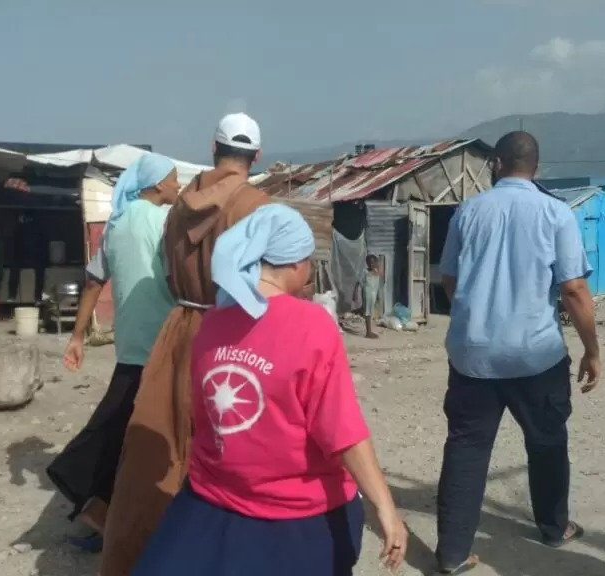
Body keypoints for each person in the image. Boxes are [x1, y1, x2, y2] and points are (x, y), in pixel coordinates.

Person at [133, 204, 407, 576]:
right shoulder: (312, 325)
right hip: (298, 515)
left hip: (211, 504)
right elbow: (341, 432)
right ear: (296, 265)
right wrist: (386, 509)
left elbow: (205, 416)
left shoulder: (211, 324)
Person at [100, 113, 272, 576]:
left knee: (161, 451)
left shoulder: (179, 203)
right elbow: (273, 284)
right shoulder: (257, 205)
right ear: (256, 157)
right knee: (233, 452)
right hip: (235, 334)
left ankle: (142, 553)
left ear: (213, 149)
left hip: (179, 328)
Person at [434, 131, 601, 573]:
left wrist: (477, 315)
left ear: (497, 164)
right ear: (536, 168)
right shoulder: (555, 213)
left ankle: (452, 554)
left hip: (473, 358)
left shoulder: (467, 212)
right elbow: (574, 289)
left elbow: (449, 279)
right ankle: (553, 527)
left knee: (466, 451)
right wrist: (592, 349)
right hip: (536, 357)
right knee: (547, 444)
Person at [46, 153, 180, 551]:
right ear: (157, 184)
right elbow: (179, 279)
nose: (177, 186)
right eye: (174, 179)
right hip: (161, 343)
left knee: (124, 424)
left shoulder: (117, 223)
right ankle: (89, 492)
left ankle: (104, 507)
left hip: (132, 343)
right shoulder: (166, 224)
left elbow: (92, 282)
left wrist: (77, 336)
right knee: (125, 427)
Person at [9, 211, 46, 302]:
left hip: (33, 258)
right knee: (14, 271)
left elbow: (41, 245)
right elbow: (15, 244)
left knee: (40, 272)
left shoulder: (36, 229)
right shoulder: (20, 228)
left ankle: (38, 296)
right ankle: (12, 296)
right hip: (23, 258)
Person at [357, 254, 383, 338]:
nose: (371, 265)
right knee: (368, 312)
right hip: (367, 294)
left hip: (373, 294)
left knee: (370, 312)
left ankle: (369, 331)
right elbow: (359, 282)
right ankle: (368, 332)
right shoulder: (365, 272)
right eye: (369, 263)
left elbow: (379, 283)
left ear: (376, 263)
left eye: (373, 263)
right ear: (367, 263)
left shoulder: (376, 272)